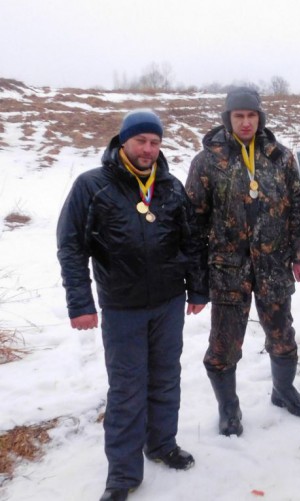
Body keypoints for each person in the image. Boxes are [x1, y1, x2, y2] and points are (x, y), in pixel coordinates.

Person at [57, 109, 208, 501]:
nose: (148, 149)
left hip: (169, 303)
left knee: (165, 378)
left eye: (155, 142)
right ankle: (122, 474)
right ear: (123, 141)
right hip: (121, 307)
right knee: (126, 389)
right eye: (141, 141)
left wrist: (198, 290)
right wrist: (80, 303)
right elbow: (72, 247)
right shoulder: (93, 187)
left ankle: (161, 444)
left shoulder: (172, 188)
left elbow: (191, 243)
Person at [185, 87, 300, 437]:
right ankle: (229, 407)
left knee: (282, 334)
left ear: (261, 119)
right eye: (239, 116)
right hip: (228, 270)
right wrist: (196, 281)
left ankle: (283, 390)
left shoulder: (281, 157)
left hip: (274, 264)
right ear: (227, 118)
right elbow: (193, 223)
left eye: (252, 116)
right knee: (224, 345)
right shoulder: (207, 161)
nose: (246, 122)